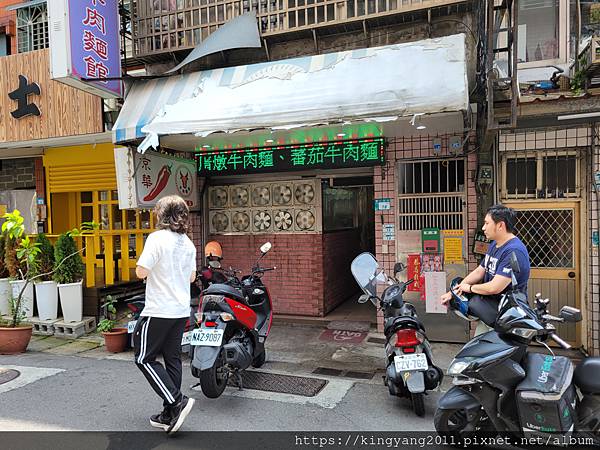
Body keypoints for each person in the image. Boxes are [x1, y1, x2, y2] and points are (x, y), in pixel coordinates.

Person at [134, 195, 196, 434]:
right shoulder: (188, 243)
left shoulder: (156, 238)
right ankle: (169, 414)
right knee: (172, 359)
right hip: (180, 311)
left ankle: (176, 400)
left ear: (161, 215)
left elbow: (141, 271)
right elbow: (191, 277)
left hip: (158, 309)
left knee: (143, 358)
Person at [440, 204, 531, 335]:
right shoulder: (495, 244)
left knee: (498, 354)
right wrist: (454, 292)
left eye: (487, 223)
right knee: (477, 350)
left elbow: (495, 287)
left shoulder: (514, 251)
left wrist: (470, 288)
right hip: (490, 313)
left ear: (500, 225)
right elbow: (479, 271)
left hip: (507, 318)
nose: (483, 228)